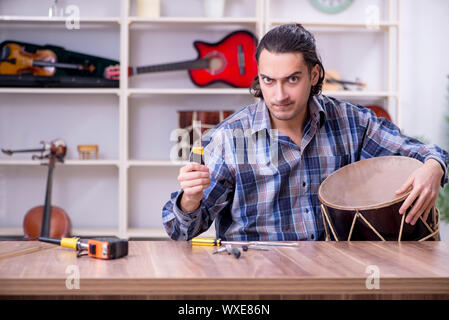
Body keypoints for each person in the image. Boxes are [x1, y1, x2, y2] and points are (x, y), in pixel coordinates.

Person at [162, 24, 449, 241]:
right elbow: (179, 231)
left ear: (313, 75)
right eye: (268, 81)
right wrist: (191, 198)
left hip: (332, 277)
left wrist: (434, 167)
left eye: (292, 79)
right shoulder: (229, 138)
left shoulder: (351, 122)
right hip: (255, 281)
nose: (279, 94)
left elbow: (424, 152)